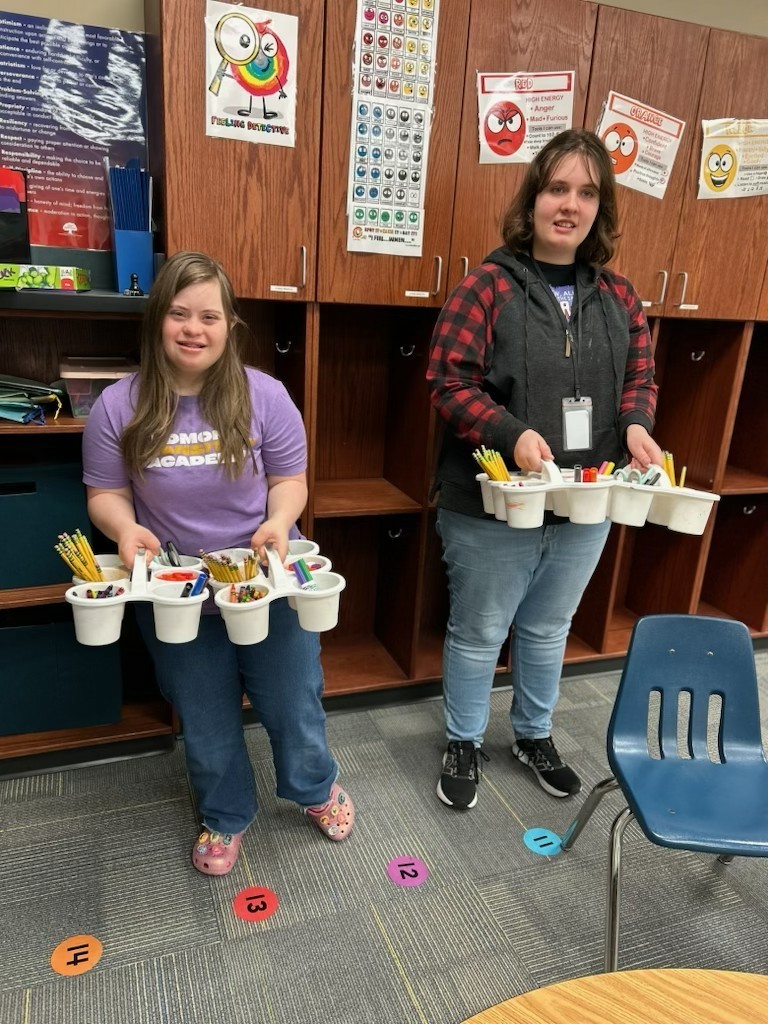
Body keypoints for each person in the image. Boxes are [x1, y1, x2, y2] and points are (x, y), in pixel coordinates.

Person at [82, 251, 354, 874]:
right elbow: (105, 494)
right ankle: (226, 815)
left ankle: (314, 788)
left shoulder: (266, 395)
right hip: (176, 591)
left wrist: (279, 521)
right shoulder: (117, 406)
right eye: (178, 313)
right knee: (203, 714)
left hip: (263, 583)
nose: (193, 329)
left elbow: (291, 479)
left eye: (208, 315)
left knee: (293, 698)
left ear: (230, 325)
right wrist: (125, 529)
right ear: (157, 321)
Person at [426, 128, 663, 811]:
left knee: (548, 628)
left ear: (601, 208)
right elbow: (449, 381)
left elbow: (639, 383)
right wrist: (512, 432)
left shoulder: (620, 299)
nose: (570, 205)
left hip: (586, 500)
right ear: (533, 199)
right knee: (479, 630)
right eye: (557, 188)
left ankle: (532, 734)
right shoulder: (487, 287)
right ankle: (464, 739)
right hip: (493, 502)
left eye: (586, 192)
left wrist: (638, 426)